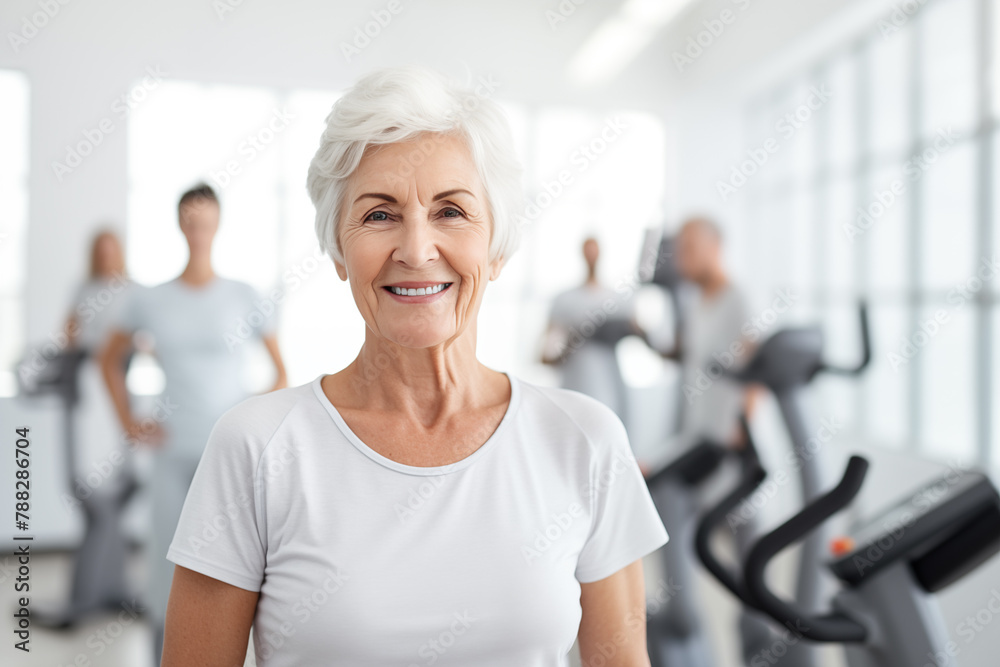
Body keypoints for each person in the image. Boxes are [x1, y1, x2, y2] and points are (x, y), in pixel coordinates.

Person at [160, 65, 668, 667]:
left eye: (451, 211)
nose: (417, 249)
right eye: (379, 215)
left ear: (497, 247)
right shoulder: (256, 446)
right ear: (338, 250)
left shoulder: (585, 440)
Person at [99, 183, 287, 666]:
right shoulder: (151, 299)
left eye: (205, 220)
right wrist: (127, 421)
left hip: (227, 453)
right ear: (180, 224)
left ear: (217, 224)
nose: (197, 229)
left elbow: (280, 373)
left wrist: (254, 425)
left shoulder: (244, 295)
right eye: (189, 219)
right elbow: (108, 358)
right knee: (166, 560)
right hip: (171, 448)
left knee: (233, 564)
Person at [640, 217, 769, 667]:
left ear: (716, 246)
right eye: (680, 249)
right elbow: (689, 355)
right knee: (678, 525)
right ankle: (688, 630)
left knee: (754, 563)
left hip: (732, 451)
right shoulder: (697, 301)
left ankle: (760, 643)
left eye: (690, 248)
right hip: (698, 443)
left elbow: (758, 369)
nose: (682, 259)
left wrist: (741, 428)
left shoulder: (739, 298)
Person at [541, 236, 639, 428]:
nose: (591, 256)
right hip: (572, 392)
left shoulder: (618, 300)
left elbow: (642, 333)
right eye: (588, 250)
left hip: (610, 393)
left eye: (595, 250)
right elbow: (545, 356)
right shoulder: (564, 300)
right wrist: (574, 341)